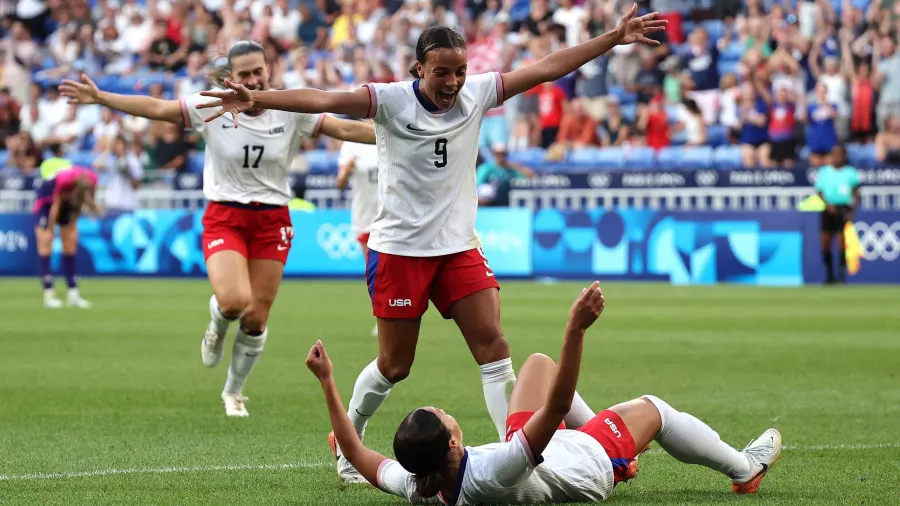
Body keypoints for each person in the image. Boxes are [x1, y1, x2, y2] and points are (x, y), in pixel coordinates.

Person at [198, 5, 666, 480]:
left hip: (458, 246)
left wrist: (613, 37)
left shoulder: (479, 92)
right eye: (442, 72)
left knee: (494, 347)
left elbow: (546, 68)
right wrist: (263, 99)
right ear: (420, 68)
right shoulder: (390, 100)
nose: (453, 81)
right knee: (395, 365)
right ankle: (346, 441)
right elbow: (323, 98)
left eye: (460, 70)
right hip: (400, 250)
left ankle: (517, 457)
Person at [59, 41, 376, 418]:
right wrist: (102, 97)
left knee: (257, 317)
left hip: (273, 219)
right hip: (226, 215)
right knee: (232, 302)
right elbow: (157, 108)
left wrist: (409, 131)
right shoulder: (212, 105)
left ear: (268, 70)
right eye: (244, 74)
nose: (253, 79)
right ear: (231, 78)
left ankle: (234, 391)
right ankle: (217, 322)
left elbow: (344, 128)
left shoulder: (291, 108)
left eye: (258, 71)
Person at [305, 281, 782, 504]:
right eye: (443, 415)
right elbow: (556, 405)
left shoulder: (418, 484)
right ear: (452, 442)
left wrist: (328, 382)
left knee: (535, 365)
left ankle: (625, 453)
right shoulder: (493, 470)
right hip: (584, 467)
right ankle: (744, 469)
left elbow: (355, 451)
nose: (446, 410)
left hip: (534, 452)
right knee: (654, 410)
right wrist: (575, 329)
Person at [33, 166, 102, 309]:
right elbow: (55, 206)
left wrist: (74, 220)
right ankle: (49, 293)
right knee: (46, 242)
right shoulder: (64, 180)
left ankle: (73, 294)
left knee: (70, 244)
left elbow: (82, 204)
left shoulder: (93, 180)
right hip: (47, 200)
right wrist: (50, 229)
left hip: (66, 203)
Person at [335, 122, 380, 336]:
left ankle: (397, 315)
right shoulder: (352, 142)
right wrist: (348, 170)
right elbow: (340, 183)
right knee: (374, 270)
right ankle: (382, 316)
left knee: (392, 269)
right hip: (365, 216)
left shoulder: (393, 132)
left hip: (392, 215)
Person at [815, 145, 861, 284]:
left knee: (842, 241)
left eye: (840, 154)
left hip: (844, 208)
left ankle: (841, 275)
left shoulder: (850, 172)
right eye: (835, 154)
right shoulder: (824, 172)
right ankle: (829, 275)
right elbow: (819, 192)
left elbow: (856, 192)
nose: (837, 157)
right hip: (828, 208)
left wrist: (851, 210)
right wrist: (828, 205)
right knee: (826, 240)